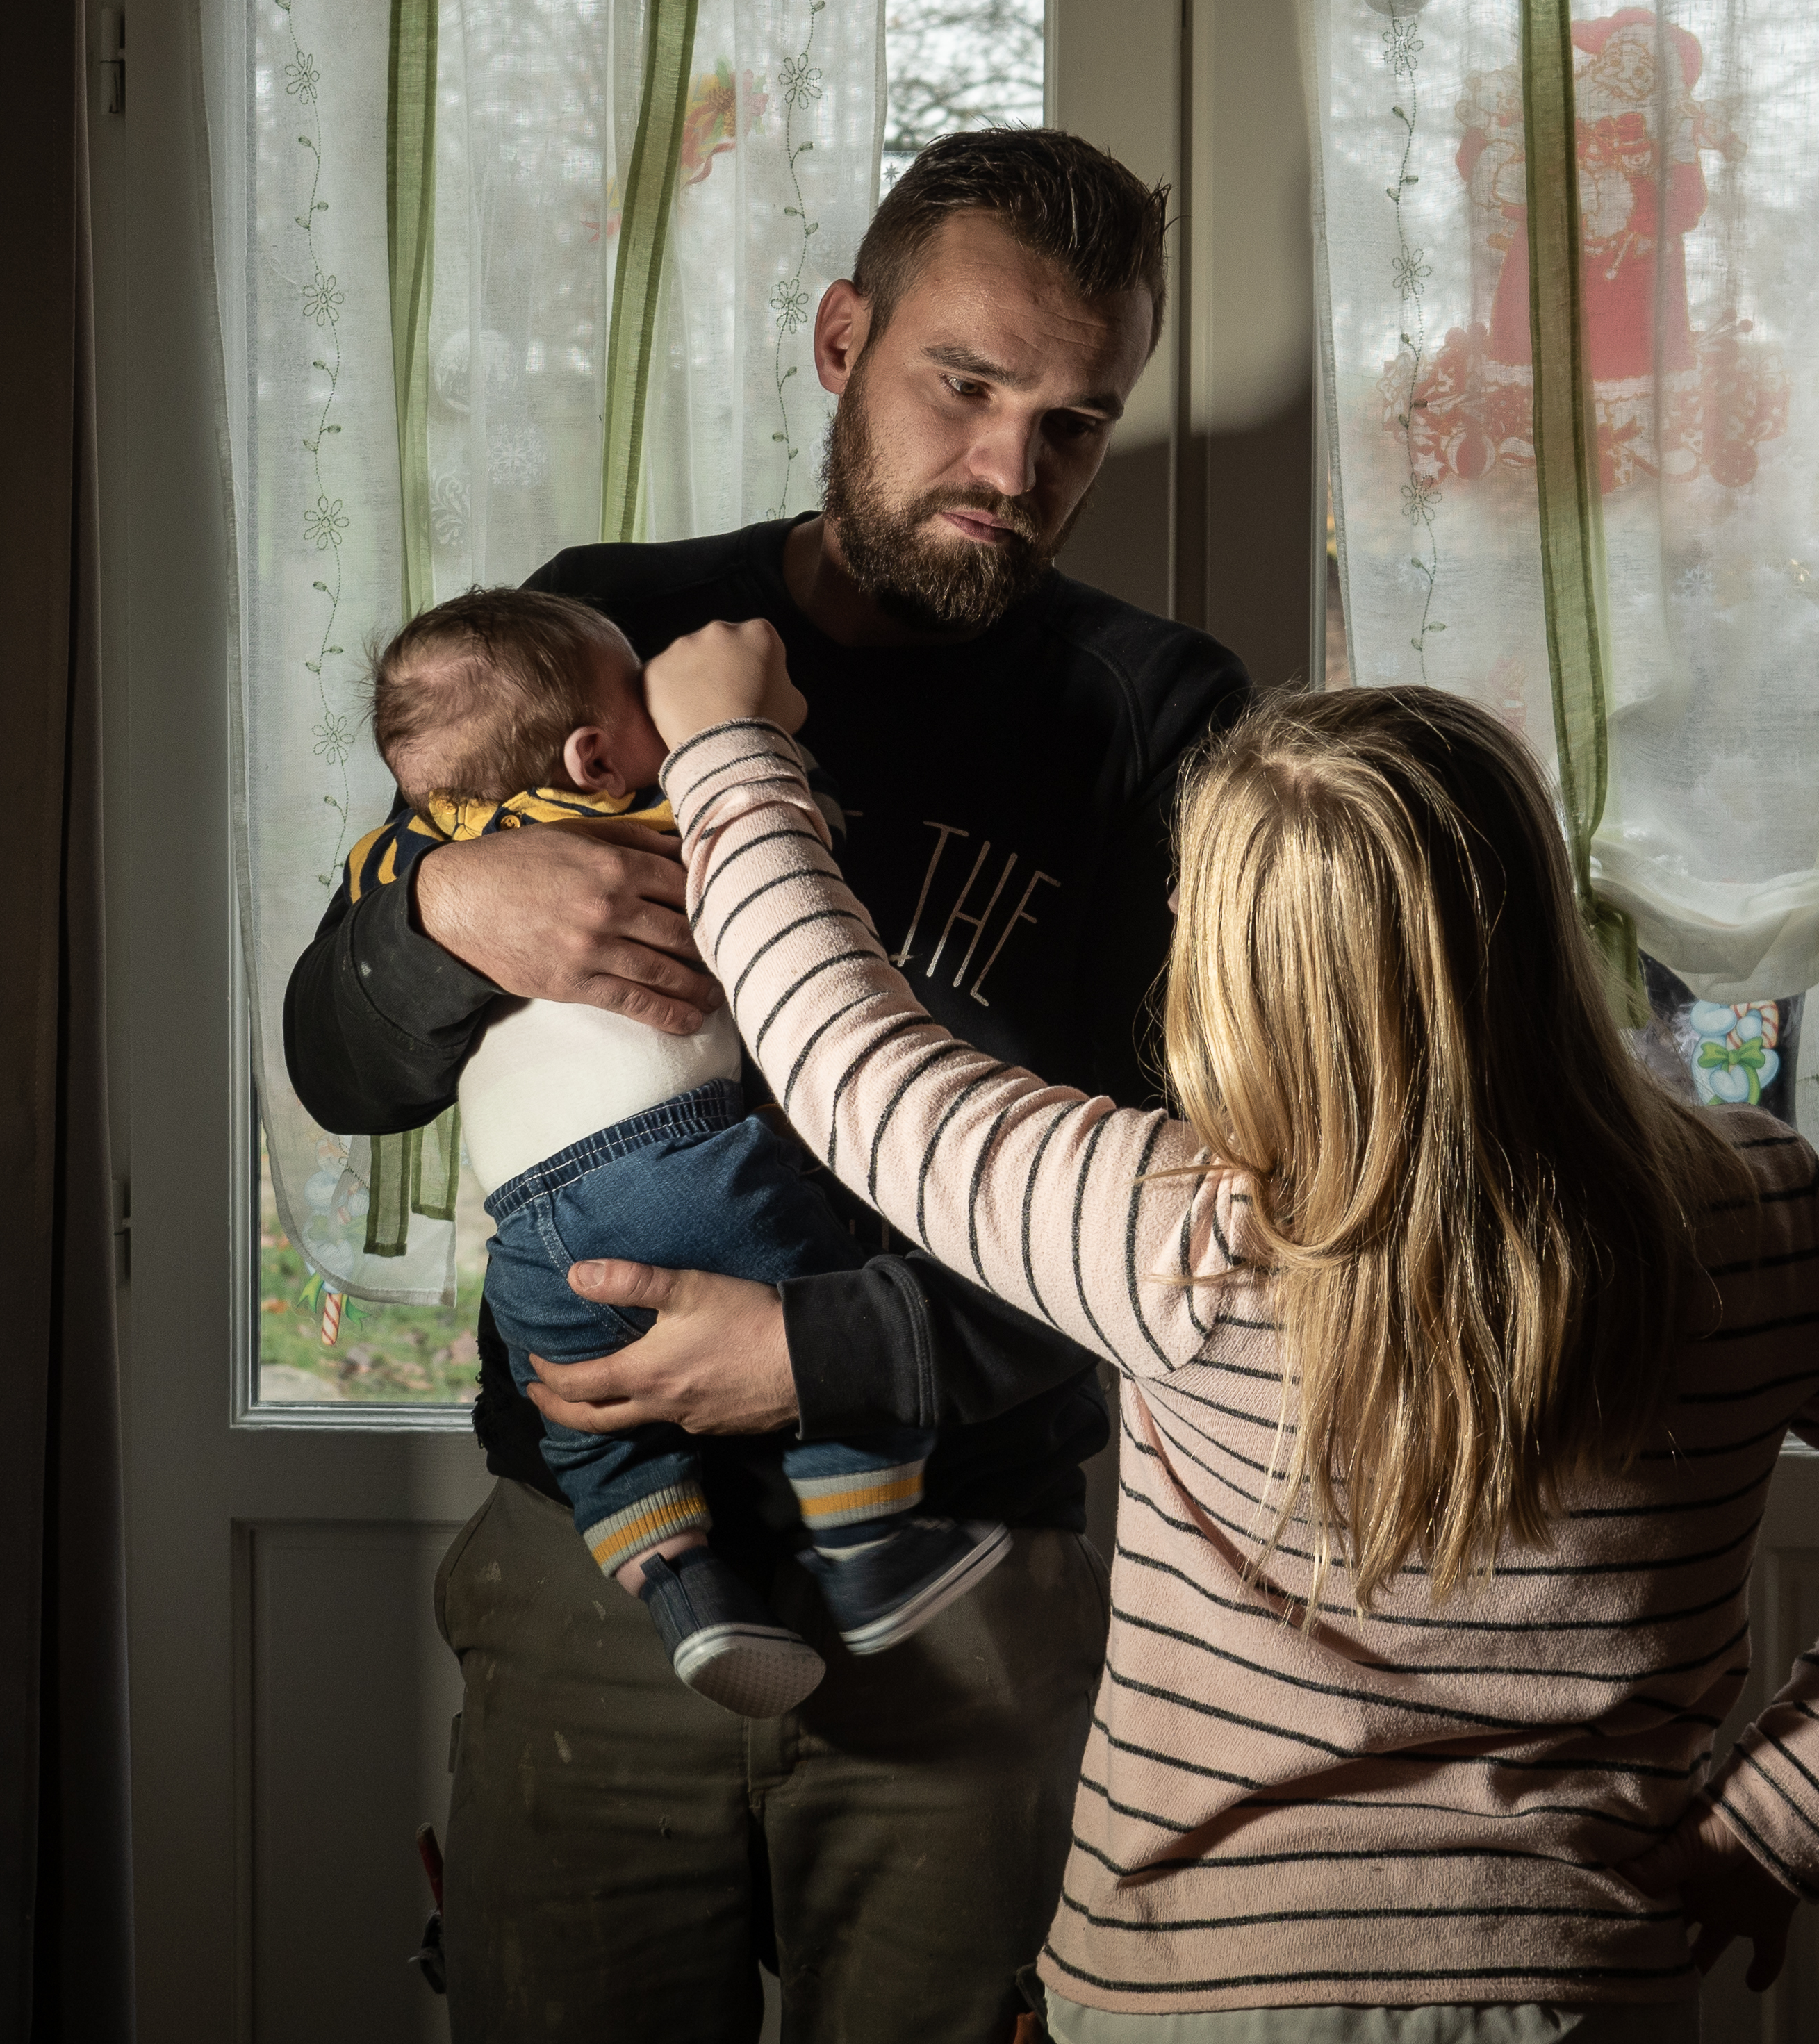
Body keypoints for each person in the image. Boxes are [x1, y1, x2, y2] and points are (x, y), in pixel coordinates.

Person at [634, 628, 1819, 2039]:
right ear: (1533, 909)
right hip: (1575, 1981)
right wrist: (1782, 1820)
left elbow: (849, 1061)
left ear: (1232, 956)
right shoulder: (1764, 1213)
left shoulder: (1177, 1234)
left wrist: (728, 746)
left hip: (1197, 1997)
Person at [281, 129, 1253, 2041]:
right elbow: (339, 1067)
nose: (1010, 469)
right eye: (964, 386)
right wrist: (450, 905)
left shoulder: (1160, 711)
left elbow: (1204, 1208)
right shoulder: (599, 625)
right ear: (840, 339)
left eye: (1075, 422)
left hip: (964, 1572)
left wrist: (826, 1355)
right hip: (590, 1561)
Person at [359, 585, 1011, 1719]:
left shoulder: (410, 856)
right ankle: (865, 1541)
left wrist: (429, 889)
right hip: (679, 1165)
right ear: (597, 755)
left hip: (529, 1243)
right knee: (823, 1291)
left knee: (590, 1426)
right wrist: (747, 734)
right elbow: (780, 843)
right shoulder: (657, 822)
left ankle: (682, 1587)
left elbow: (373, 919)